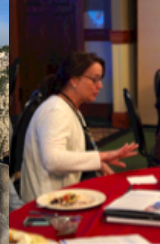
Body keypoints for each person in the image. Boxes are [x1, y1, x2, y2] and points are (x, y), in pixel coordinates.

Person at [19, 52, 138, 203]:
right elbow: (53, 160)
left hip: (61, 198)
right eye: (94, 79)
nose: (100, 85)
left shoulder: (70, 109)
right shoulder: (55, 111)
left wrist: (100, 164)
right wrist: (103, 156)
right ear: (74, 80)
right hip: (45, 206)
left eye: (100, 79)